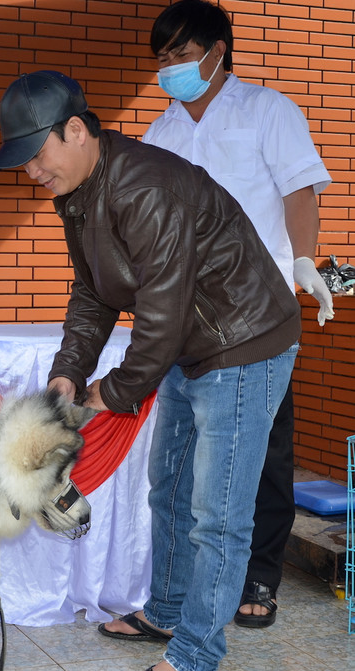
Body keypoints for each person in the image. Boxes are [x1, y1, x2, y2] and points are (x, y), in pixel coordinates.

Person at [0, 70, 299, 671]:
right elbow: (92, 292)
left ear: (75, 131)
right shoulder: (78, 193)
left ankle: (194, 656)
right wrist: (68, 373)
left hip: (246, 343)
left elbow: (161, 311)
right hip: (195, 346)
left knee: (219, 512)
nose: (32, 173)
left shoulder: (147, 187)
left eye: (36, 155)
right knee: (169, 487)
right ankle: (166, 610)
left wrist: (114, 391)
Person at [142, 0, 333, 630]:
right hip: (187, 315)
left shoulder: (268, 111)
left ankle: (260, 577)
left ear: (218, 50)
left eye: (180, 53)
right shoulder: (161, 131)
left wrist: (304, 261)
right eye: (162, 58)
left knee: (265, 449)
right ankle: (179, 591)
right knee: (186, 457)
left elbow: (298, 190)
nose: (170, 67)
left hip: (258, 311)